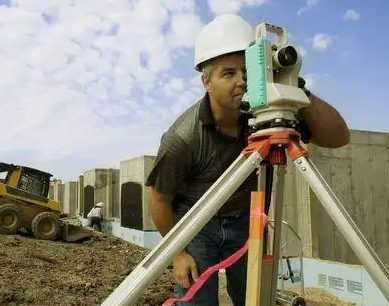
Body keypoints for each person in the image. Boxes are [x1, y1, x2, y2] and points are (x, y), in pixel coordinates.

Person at [145, 14, 350, 306]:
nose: (241, 81)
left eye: (246, 71)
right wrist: (177, 254)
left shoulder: (266, 111)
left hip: (247, 223)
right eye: (228, 73)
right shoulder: (184, 137)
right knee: (197, 302)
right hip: (198, 226)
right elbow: (159, 199)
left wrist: (297, 90)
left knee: (254, 298)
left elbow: (338, 137)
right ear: (207, 82)